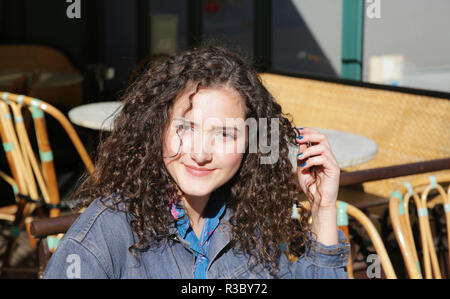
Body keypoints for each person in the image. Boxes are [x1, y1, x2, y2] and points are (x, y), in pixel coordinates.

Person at [44, 45, 350, 279]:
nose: (201, 153)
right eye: (185, 128)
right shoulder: (108, 232)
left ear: (251, 143)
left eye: (226, 134)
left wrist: (323, 209)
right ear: (158, 128)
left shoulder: (251, 220)